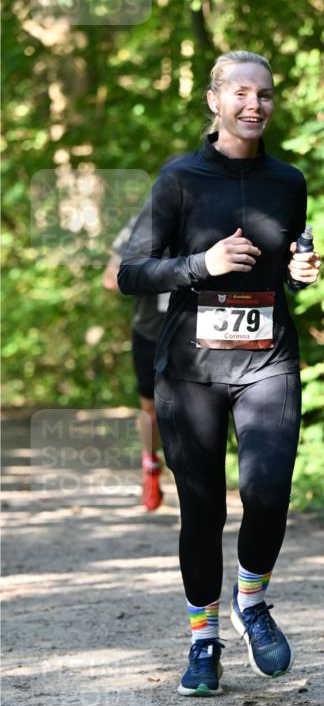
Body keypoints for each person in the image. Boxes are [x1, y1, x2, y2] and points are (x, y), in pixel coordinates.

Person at [117, 50, 321, 696]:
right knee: (201, 511)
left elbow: (287, 261)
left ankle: (252, 603)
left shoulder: (288, 181)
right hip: (190, 368)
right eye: (240, 93)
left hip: (268, 357)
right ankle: (202, 640)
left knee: (267, 490)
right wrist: (200, 264)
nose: (253, 105)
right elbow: (131, 272)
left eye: (263, 94)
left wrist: (301, 273)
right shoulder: (180, 178)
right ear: (214, 101)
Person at [102, 216, 168, 511]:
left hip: (199, 330)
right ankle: (151, 465)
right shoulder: (141, 224)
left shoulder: (211, 214)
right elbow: (110, 279)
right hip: (150, 330)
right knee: (150, 408)